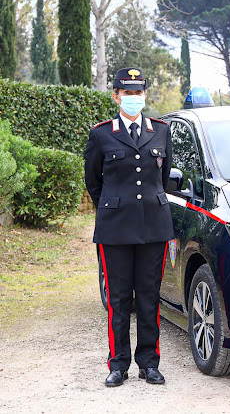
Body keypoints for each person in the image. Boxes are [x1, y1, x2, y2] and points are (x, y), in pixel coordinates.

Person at [84, 67, 174, 386]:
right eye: (127, 93)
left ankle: (149, 363)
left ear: (144, 95)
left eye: (138, 93)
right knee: (119, 300)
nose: (133, 98)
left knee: (149, 297)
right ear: (116, 96)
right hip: (115, 229)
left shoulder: (161, 131)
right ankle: (118, 364)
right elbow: (93, 182)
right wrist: (114, 206)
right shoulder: (101, 134)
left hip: (154, 227)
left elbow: (163, 181)